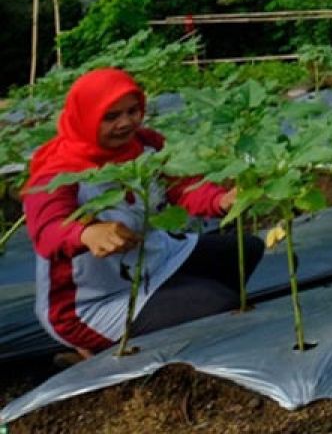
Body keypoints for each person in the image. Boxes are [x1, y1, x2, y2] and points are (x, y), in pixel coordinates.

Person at [23, 68, 264, 356]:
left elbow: (182, 185)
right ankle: (115, 351)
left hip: (155, 260)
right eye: (111, 117)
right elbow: (47, 229)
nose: (126, 123)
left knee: (246, 248)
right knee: (219, 304)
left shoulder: (145, 144)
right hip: (93, 302)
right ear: (86, 118)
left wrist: (222, 200)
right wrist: (86, 233)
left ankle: (183, 316)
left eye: (133, 111)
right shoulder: (58, 172)